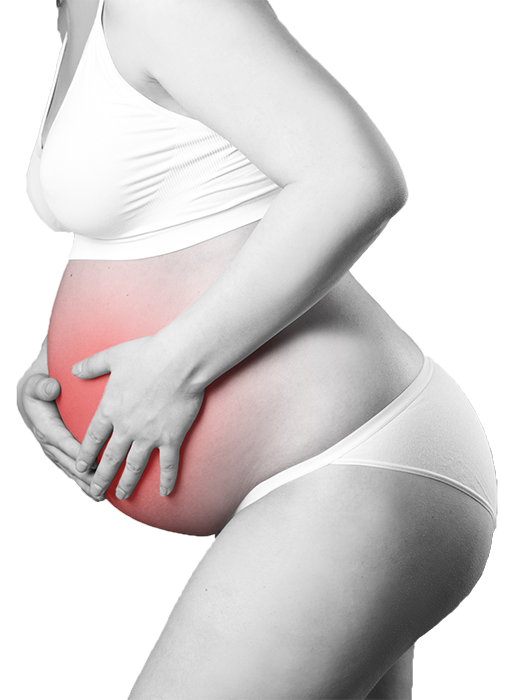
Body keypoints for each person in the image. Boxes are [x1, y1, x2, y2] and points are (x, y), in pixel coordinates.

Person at [17, 0, 497, 697]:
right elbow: (167, 217)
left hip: (346, 460)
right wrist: (56, 364)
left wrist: (172, 369)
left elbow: (355, 179)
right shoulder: (81, 14)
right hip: (322, 478)